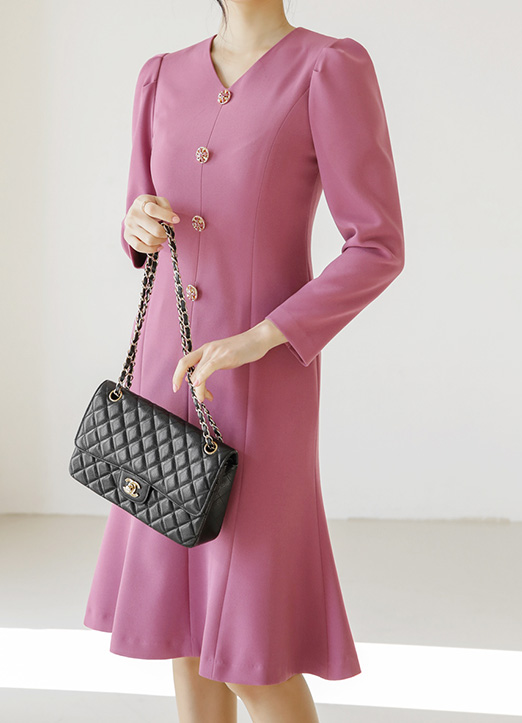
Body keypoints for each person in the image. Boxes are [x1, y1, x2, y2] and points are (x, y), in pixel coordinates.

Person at [83, 1, 405, 721]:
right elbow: (140, 216)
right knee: (183, 630)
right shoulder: (159, 77)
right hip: (165, 373)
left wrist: (264, 335)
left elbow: (378, 245)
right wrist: (135, 223)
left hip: (264, 376)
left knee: (253, 653)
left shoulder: (328, 67)